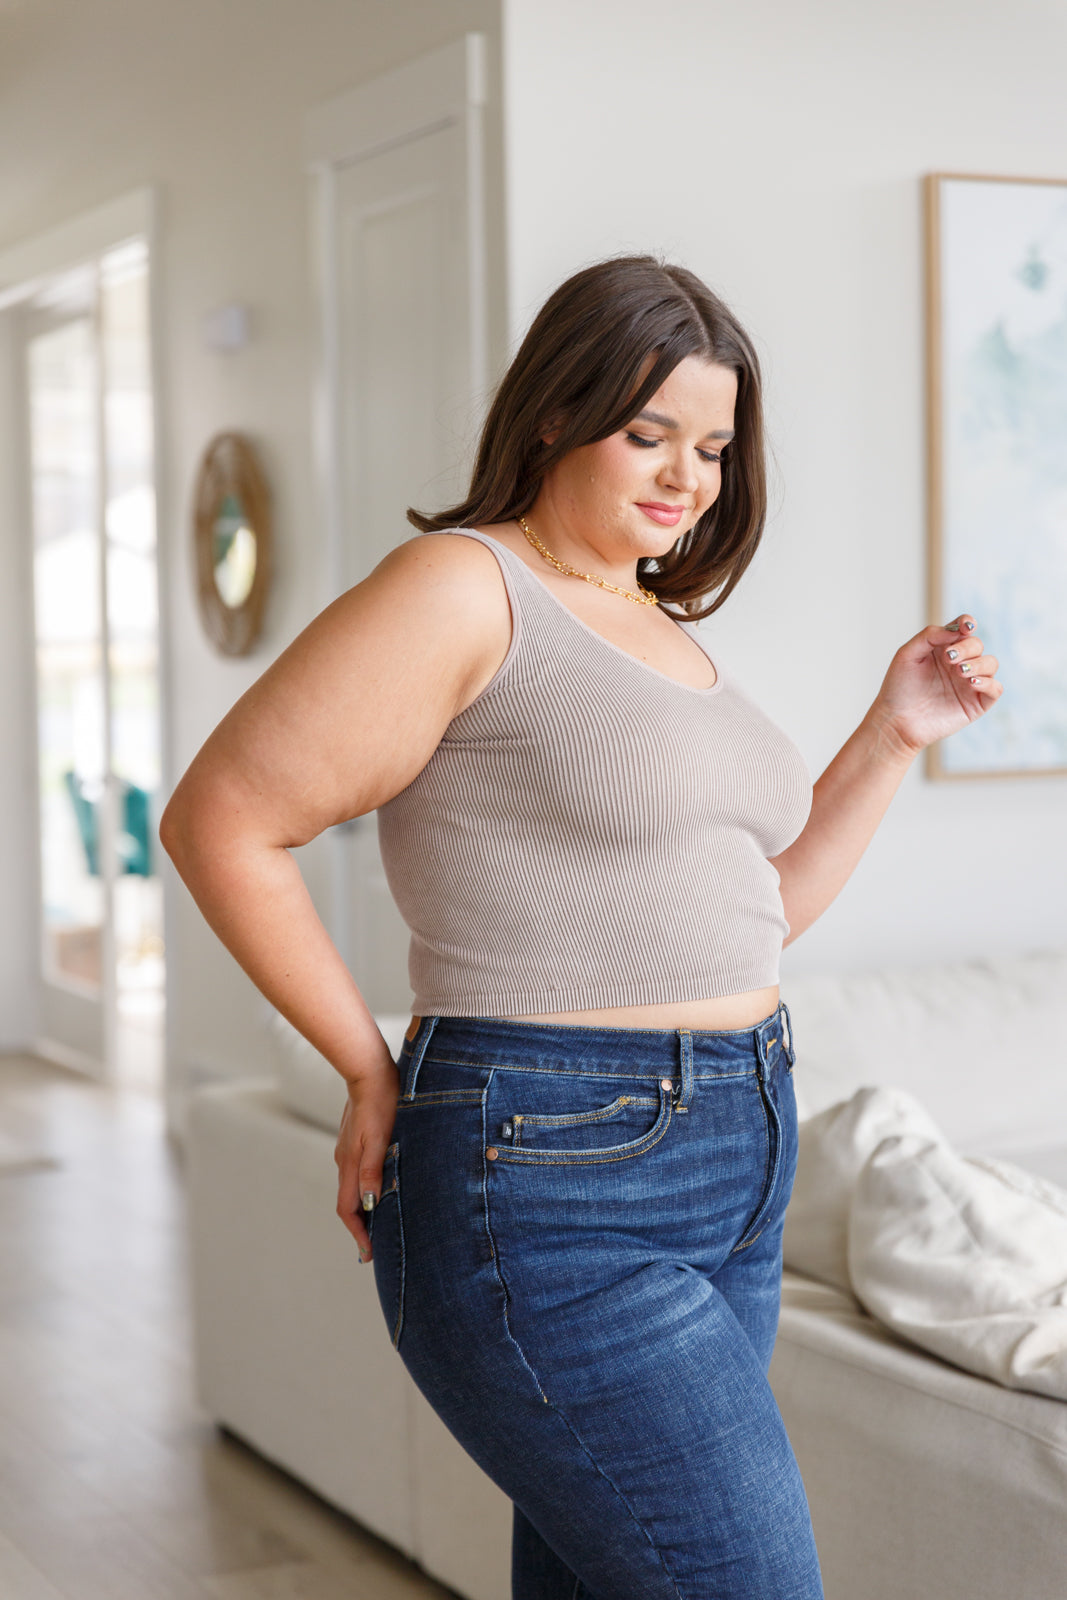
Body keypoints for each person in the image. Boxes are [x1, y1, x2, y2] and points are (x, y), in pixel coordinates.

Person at [160, 255, 1002, 1600]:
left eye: (714, 447)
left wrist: (894, 734)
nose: (685, 476)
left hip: (741, 1144)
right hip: (548, 1174)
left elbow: (755, 918)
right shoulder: (461, 587)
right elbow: (221, 822)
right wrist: (371, 1067)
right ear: (556, 414)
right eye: (647, 432)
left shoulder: (656, 622)